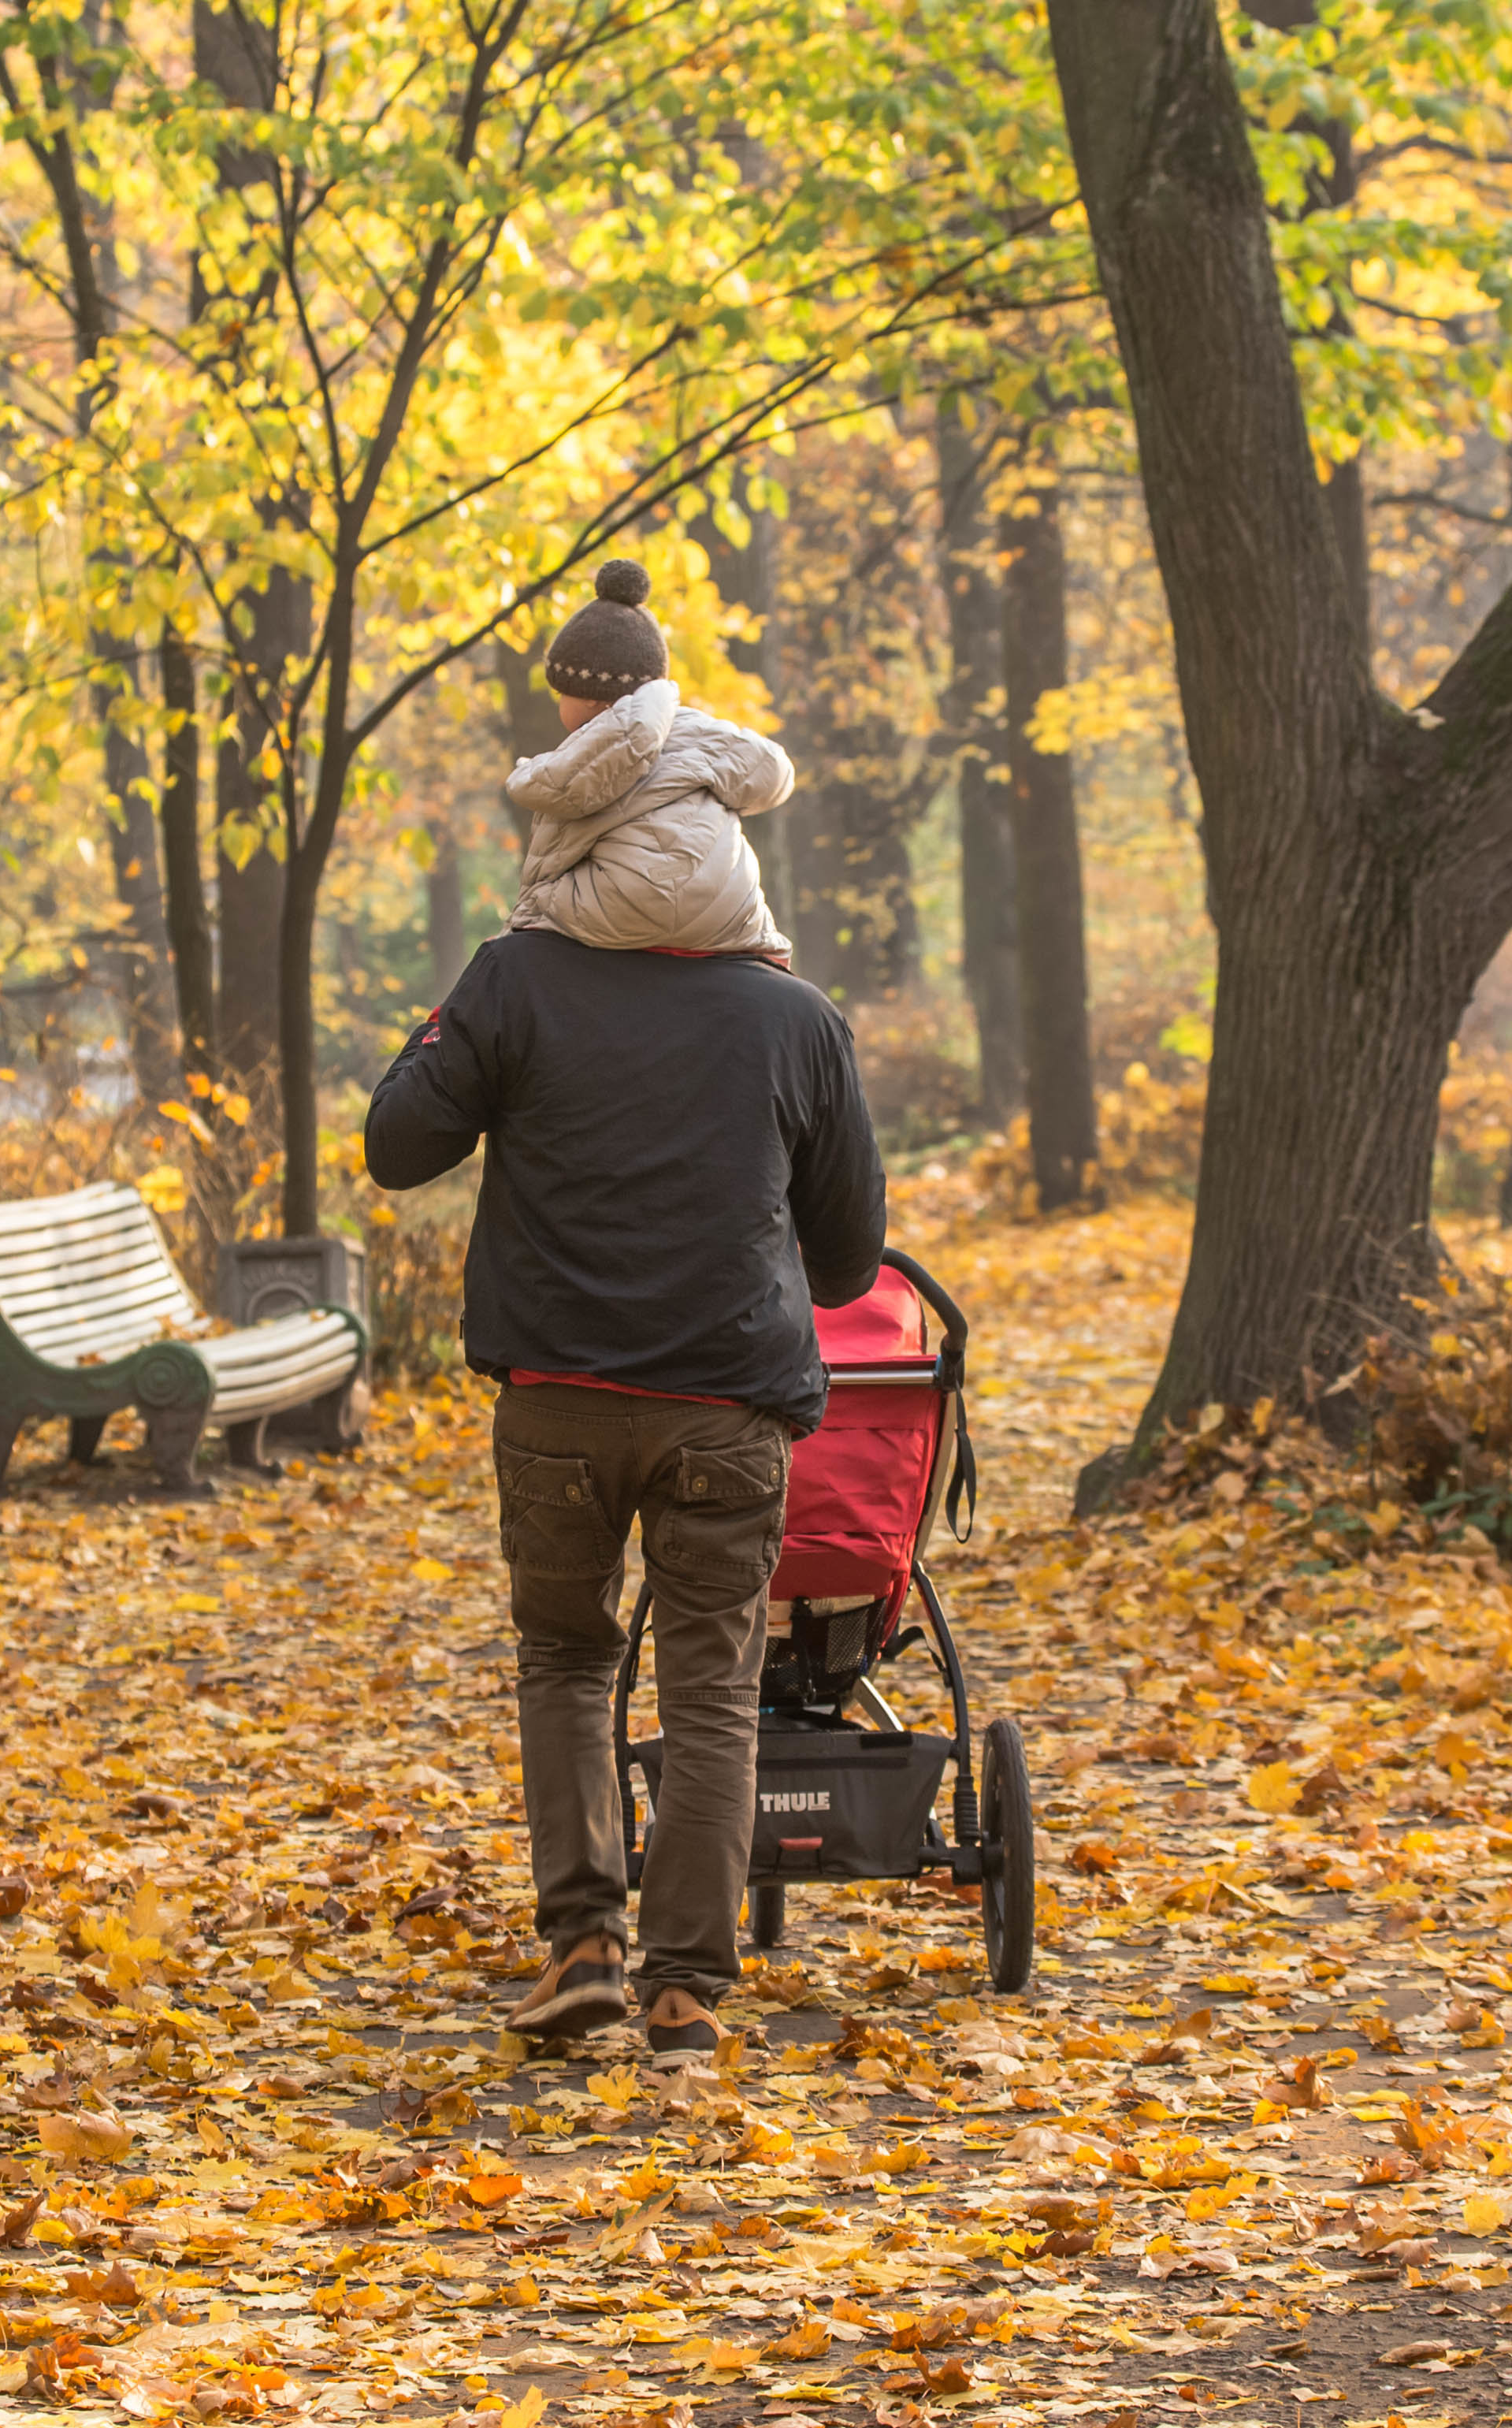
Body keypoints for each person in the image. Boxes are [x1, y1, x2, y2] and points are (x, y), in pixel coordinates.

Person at [363, 561, 886, 2063]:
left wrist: (444, 1029)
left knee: (569, 1659)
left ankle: (582, 1946)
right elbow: (850, 1265)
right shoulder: (797, 1019)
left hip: (560, 1398)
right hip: (727, 1398)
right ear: (720, 840)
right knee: (711, 1679)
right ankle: (681, 1985)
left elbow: (400, 1148)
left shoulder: (514, 982)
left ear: (581, 822)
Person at [502, 559, 795, 961]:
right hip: (724, 908)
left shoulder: (582, 751)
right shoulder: (702, 731)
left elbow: (545, 792)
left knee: (532, 912)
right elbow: (771, 774)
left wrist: (524, 916)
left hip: (618, 904)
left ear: (588, 696)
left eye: (561, 695)